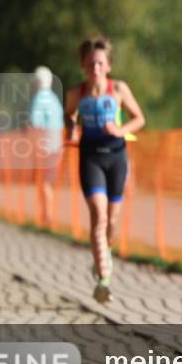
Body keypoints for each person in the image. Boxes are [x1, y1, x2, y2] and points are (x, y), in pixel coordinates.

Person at [64, 35, 145, 304]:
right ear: (83, 67)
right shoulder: (77, 93)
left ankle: (103, 255)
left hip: (117, 157)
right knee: (98, 215)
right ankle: (104, 280)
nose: (94, 69)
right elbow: (69, 114)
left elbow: (140, 118)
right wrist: (71, 126)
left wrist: (120, 130)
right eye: (89, 64)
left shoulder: (119, 89)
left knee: (111, 220)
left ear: (108, 66)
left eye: (99, 63)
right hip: (90, 158)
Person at [29, 66, 64, 226]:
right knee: (49, 181)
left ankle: (47, 216)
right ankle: (47, 214)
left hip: (46, 146)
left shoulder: (40, 98)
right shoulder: (54, 99)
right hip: (57, 145)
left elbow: (35, 124)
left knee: (45, 182)